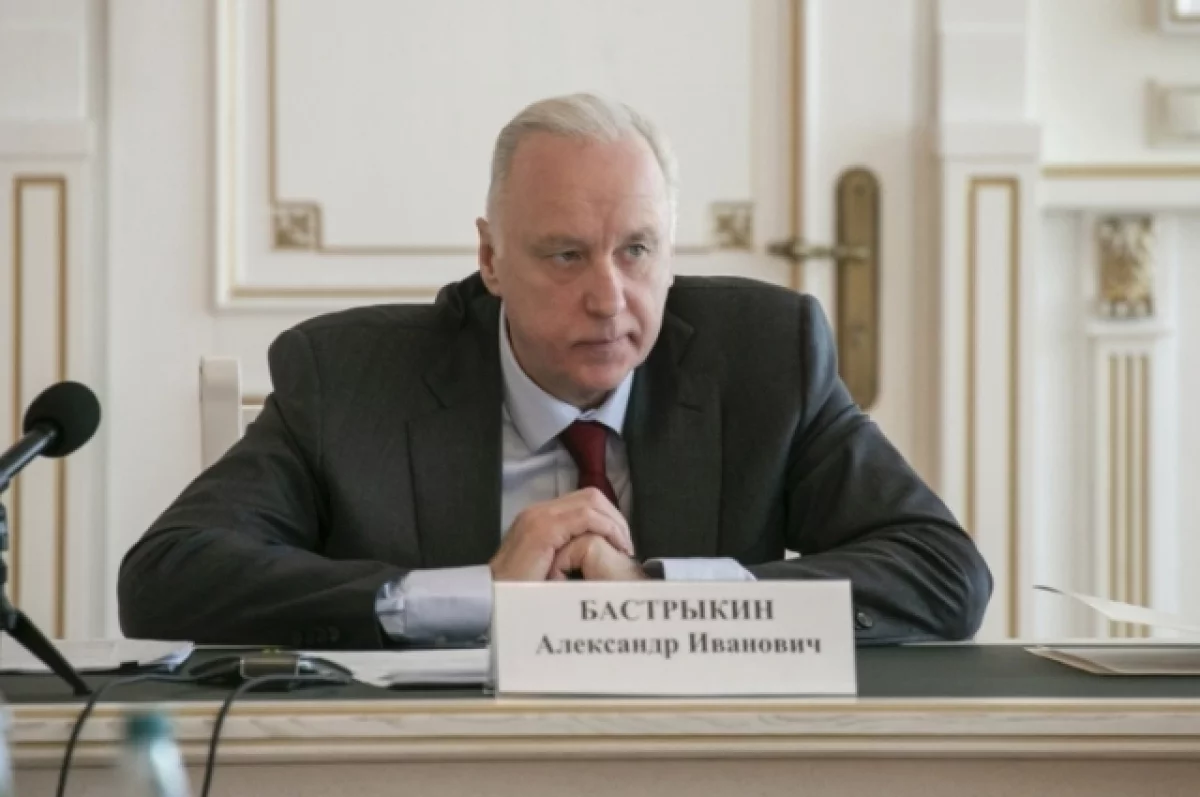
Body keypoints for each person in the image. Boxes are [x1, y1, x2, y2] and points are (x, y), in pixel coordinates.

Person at [118, 94, 991, 650]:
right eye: (566, 255)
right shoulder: (350, 377)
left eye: (637, 250)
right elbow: (166, 577)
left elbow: (943, 572)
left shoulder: (767, 355)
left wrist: (660, 596)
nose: (609, 298)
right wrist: (475, 594)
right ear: (490, 258)